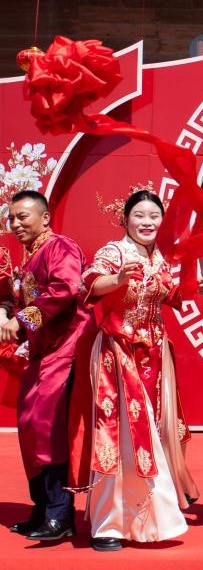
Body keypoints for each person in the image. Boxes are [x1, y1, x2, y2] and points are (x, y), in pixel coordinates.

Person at [71, 188, 201, 551]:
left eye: (154, 216)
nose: (147, 222)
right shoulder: (114, 252)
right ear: (125, 219)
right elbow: (92, 284)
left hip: (154, 357)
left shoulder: (159, 257)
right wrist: (119, 279)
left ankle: (149, 522)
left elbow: (164, 295)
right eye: (140, 215)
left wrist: (185, 290)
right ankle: (109, 526)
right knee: (119, 439)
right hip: (119, 354)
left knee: (152, 435)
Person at [0, 190, 88, 541]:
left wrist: (21, 320)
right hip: (41, 353)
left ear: (45, 217)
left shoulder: (60, 247)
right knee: (29, 425)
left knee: (48, 427)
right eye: (12, 218)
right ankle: (41, 510)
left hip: (65, 349)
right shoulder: (30, 256)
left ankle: (60, 516)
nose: (16, 224)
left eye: (23, 216)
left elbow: (66, 287)